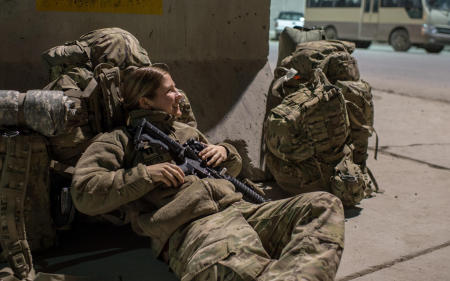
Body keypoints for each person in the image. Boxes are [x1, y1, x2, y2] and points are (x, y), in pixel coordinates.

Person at [71, 66, 345, 281]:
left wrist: (225, 152)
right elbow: (84, 193)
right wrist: (146, 174)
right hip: (194, 226)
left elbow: (232, 171)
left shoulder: (186, 132)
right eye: (170, 90)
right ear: (146, 100)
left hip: (242, 210)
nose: (179, 94)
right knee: (244, 271)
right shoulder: (118, 140)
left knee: (323, 204)